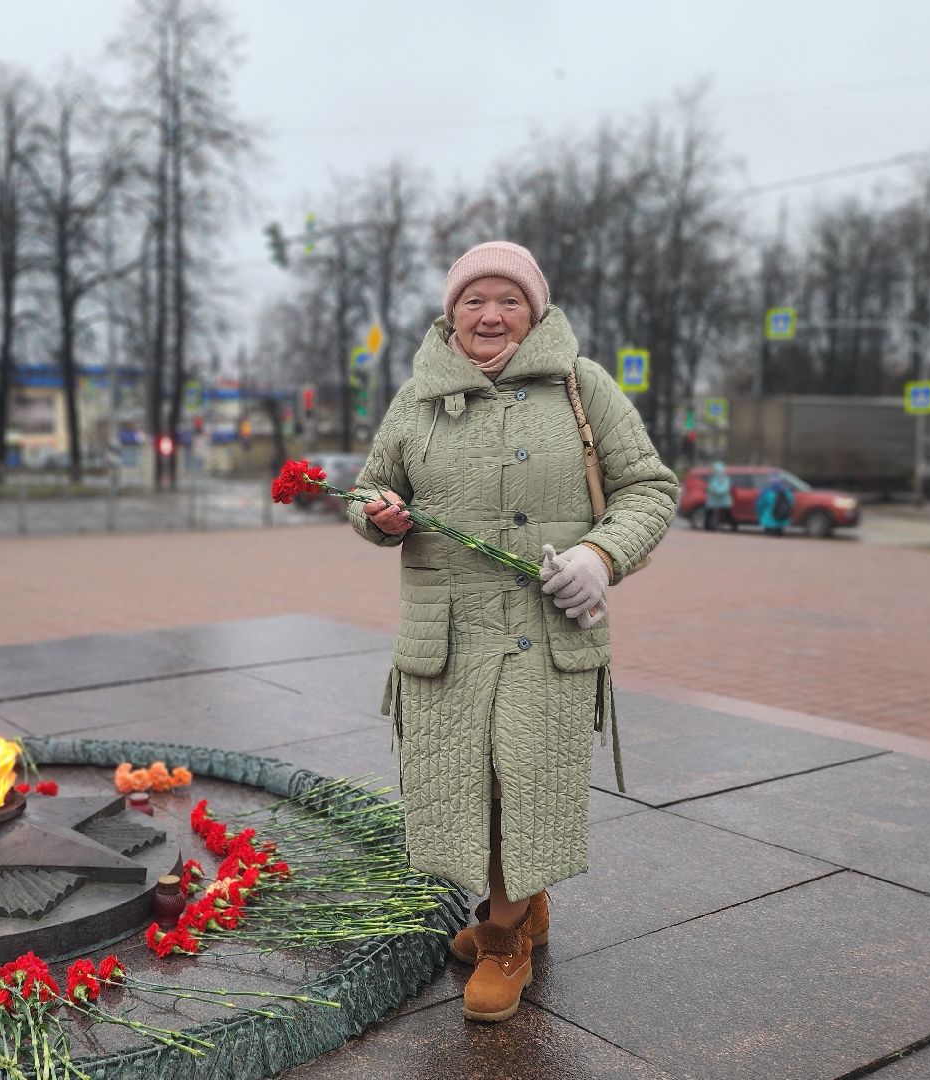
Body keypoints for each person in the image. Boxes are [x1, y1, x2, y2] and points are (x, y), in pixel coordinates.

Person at [346, 241, 678, 1023]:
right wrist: (378, 517)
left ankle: (503, 936)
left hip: (545, 625)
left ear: (533, 313)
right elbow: (366, 490)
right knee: (468, 783)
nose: (490, 315)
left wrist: (601, 555)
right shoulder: (417, 397)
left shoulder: (581, 386)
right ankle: (522, 907)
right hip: (451, 634)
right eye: (474, 300)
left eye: (509, 301)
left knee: (518, 779)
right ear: (451, 312)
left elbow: (650, 488)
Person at [757, 472, 794, 536]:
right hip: (782, 522)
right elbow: (791, 504)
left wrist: (759, 514)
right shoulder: (787, 492)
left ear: (771, 480)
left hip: (768, 522)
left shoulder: (766, 492)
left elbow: (759, 506)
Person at [703, 460, 733, 530]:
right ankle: (708, 526)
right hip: (713, 501)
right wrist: (708, 490)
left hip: (722, 500)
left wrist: (714, 491)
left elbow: (724, 489)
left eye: (713, 469)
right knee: (709, 513)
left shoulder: (723, 478)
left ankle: (727, 526)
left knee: (725, 514)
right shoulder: (712, 478)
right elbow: (710, 487)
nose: (711, 471)